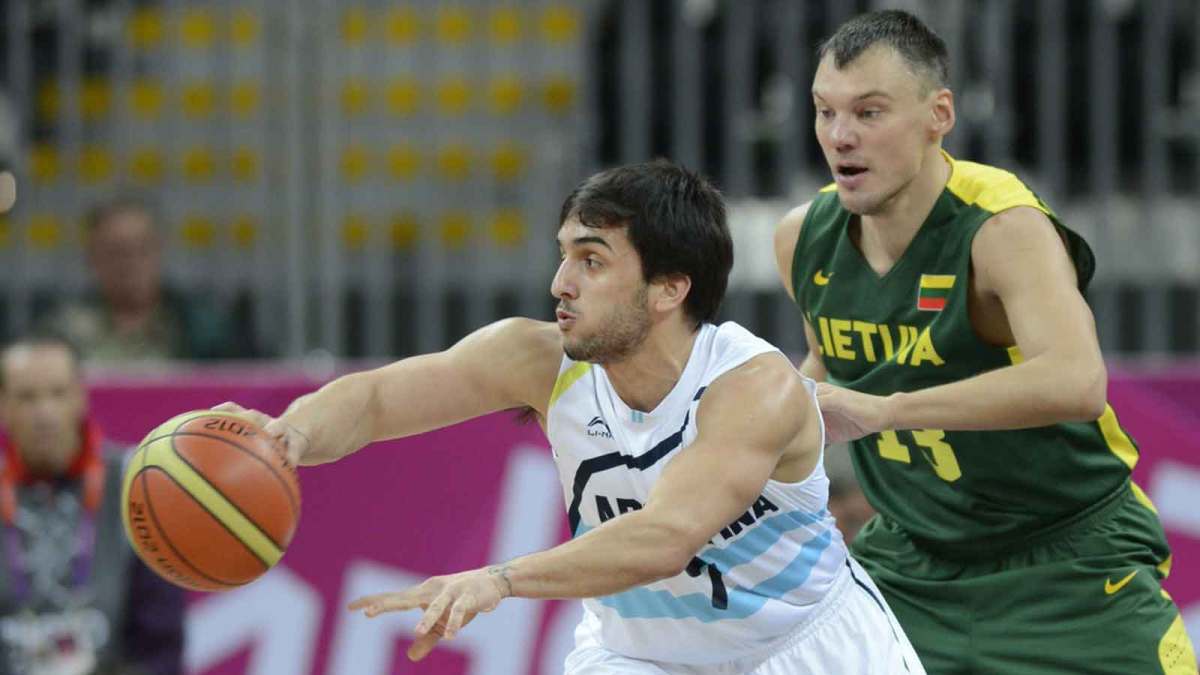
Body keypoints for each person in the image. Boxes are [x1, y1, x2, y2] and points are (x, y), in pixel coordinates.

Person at [220, 160, 923, 673]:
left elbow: (665, 536)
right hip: (638, 657)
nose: (560, 283)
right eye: (564, 255)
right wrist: (293, 432)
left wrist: (498, 578)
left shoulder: (753, 385)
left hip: (803, 647)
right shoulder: (538, 359)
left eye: (591, 261)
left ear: (668, 288)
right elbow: (372, 400)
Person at [773, 9, 1197, 674]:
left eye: (869, 112)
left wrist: (890, 409)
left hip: (1067, 564)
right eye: (825, 112)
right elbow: (829, 367)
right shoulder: (804, 237)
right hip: (913, 565)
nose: (840, 136)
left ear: (938, 114)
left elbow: (1076, 382)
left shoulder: (1001, 226)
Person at [0, 335, 184, 674]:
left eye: (58, 393)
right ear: (4, 406)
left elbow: (161, 647)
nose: (45, 413)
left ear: (80, 398)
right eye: (27, 398)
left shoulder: (135, 486)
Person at [38, 194, 253, 364]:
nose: (130, 263)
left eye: (142, 249)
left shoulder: (207, 329)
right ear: (92, 258)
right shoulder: (61, 333)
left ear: (160, 250)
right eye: (117, 251)